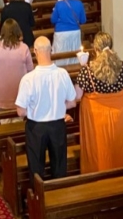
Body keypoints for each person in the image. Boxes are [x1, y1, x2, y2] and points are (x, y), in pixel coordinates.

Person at [15, 36, 77, 184]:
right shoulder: (62, 74)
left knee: (36, 169)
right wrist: (58, 107)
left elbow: (20, 112)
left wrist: (36, 109)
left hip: (36, 127)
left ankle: (38, 200)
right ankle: (59, 199)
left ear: (35, 51)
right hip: (58, 125)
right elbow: (72, 102)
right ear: (51, 50)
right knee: (60, 167)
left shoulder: (28, 79)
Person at [75, 32, 123, 173]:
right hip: (117, 116)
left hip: (95, 117)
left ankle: (95, 179)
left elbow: (77, 95)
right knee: (116, 148)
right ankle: (117, 175)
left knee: (97, 150)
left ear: (96, 49)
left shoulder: (88, 70)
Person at [0, 19, 33, 109]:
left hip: (0, 93)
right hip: (19, 91)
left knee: (3, 119)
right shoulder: (24, 48)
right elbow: (30, 70)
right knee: (18, 119)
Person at [51, 0, 86, 65]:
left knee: (60, 55)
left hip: (61, 33)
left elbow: (53, 20)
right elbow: (83, 20)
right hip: (75, 32)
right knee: (74, 55)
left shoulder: (59, 4)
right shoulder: (79, 3)